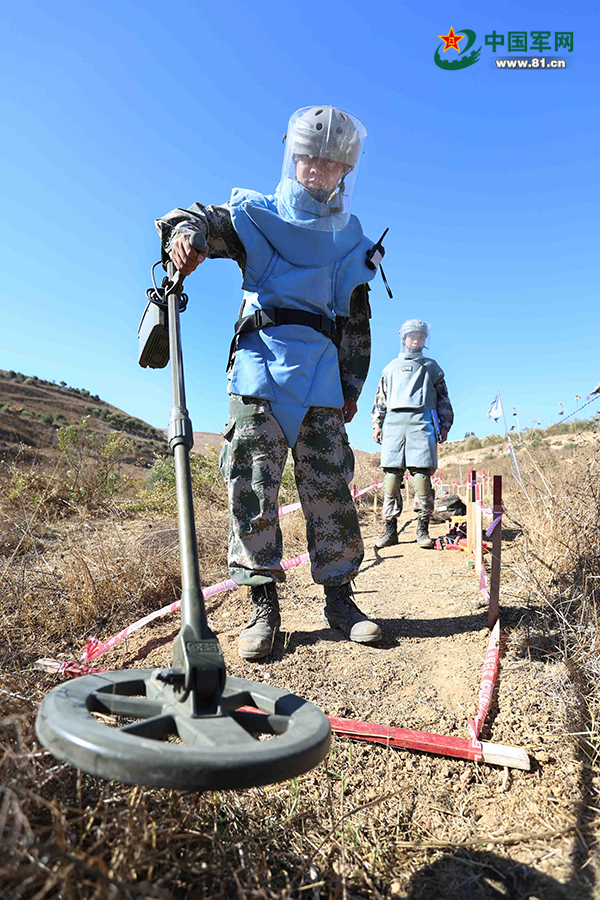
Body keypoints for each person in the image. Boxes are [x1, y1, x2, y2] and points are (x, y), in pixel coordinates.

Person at [156, 105, 384, 659]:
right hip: (258, 371)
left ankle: (341, 600)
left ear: (345, 171)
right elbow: (196, 218)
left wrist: (352, 387)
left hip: (321, 382)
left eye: (332, 162)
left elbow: (356, 322)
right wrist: (186, 235)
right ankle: (263, 606)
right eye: (311, 158)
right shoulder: (257, 215)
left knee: (331, 492)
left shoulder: (351, 241)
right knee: (252, 488)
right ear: (294, 157)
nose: (319, 169)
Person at [371, 319, 454, 549]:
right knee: (391, 478)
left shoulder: (432, 368)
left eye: (421, 336)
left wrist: (445, 425)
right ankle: (390, 530)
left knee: (421, 478)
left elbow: (444, 399)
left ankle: (422, 529)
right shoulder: (390, 368)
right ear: (404, 338)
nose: (416, 339)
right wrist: (377, 424)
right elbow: (380, 399)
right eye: (412, 335)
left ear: (425, 339)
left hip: (422, 424)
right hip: (394, 425)